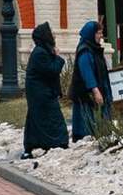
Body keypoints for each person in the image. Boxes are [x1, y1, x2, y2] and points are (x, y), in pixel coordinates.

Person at [22, 21, 69, 160]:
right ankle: (58, 142)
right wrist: (59, 57)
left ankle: (32, 145)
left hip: (41, 92)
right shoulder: (41, 53)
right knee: (52, 118)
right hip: (41, 94)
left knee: (36, 118)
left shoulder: (43, 50)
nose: (54, 36)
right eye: (52, 34)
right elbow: (52, 70)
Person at [69, 18, 113, 143]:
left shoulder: (94, 49)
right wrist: (96, 91)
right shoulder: (85, 52)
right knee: (88, 123)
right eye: (98, 33)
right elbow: (87, 74)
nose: (101, 36)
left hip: (96, 92)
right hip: (87, 97)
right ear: (91, 34)